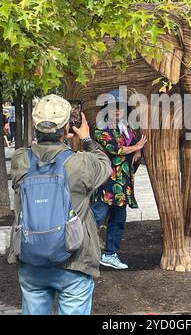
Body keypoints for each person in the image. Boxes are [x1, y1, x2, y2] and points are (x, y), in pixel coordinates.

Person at [8, 94, 112, 315]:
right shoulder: (80, 163)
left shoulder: (20, 160)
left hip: (30, 258)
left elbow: (32, 154)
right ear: (67, 128)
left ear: (36, 128)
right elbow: (105, 165)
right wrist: (86, 138)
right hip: (74, 260)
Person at [92, 90, 147, 270]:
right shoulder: (101, 128)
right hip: (106, 182)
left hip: (122, 183)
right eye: (113, 107)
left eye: (120, 107)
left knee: (118, 220)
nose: (117, 111)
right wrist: (136, 147)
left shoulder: (126, 128)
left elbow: (131, 146)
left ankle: (110, 254)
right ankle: (80, 251)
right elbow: (117, 149)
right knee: (96, 217)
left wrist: (137, 150)